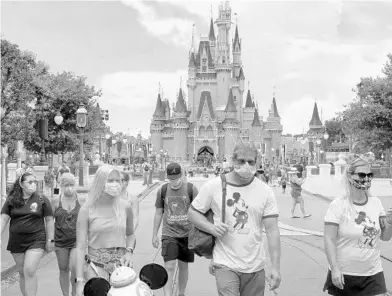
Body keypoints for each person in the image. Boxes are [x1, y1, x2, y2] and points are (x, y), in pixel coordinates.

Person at [188, 141, 282, 296]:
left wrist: (276, 267)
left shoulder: (265, 191)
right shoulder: (214, 186)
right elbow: (192, 213)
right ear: (233, 160)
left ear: (256, 161)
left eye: (250, 161)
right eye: (241, 161)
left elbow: (272, 231)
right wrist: (211, 228)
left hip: (255, 266)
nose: (246, 165)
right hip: (225, 263)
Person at [323, 153, 392, 296]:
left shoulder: (376, 203)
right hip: (344, 274)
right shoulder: (338, 205)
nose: (366, 179)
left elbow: (385, 237)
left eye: (369, 175)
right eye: (361, 175)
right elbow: (329, 239)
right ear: (350, 176)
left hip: (373, 274)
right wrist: (334, 269)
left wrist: (390, 220)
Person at [75, 165, 136, 296]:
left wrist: (129, 252)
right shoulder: (87, 209)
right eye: (110, 180)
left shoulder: (125, 207)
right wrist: (79, 281)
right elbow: (80, 246)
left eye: (117, 180)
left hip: (121, 271)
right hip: (95, 270)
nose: (114, 184)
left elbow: (130, 234)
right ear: (100, 182)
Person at [0, 171, 54, 296]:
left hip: (36, 240)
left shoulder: (41, 199)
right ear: (21, 184)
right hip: (17, 242)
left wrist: (50, 239)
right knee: (22, 272)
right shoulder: (11, 200)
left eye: (34, 181)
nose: (33, 184)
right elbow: (3, 219)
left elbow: (49, 220)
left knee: (29, 270)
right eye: (30, 182)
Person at [152, 162, 198, 296]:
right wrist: (154, 234)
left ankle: (181, 293)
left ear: (181, 175)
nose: (174, 181)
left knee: (183, 266)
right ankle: (168, 294)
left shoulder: (191, 189)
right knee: (169, 265)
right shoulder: (163, 190)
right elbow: (158, 212)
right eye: (171, 179)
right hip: (169, 233)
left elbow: (199, 212)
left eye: (176, 178)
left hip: (187, 234)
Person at [52, 173, 80, 296]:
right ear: (61, 186)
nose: (69, 187)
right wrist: (49, 239)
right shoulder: (55, 201)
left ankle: (74, 293)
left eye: (71, 184)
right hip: (60, 241)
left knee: (74, 269)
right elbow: (48, 221)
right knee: (63, 269)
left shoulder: (81, 200)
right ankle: (65, 294)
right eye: (66, 185)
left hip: (76, 241)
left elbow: (87, 220)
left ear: (75, 185)